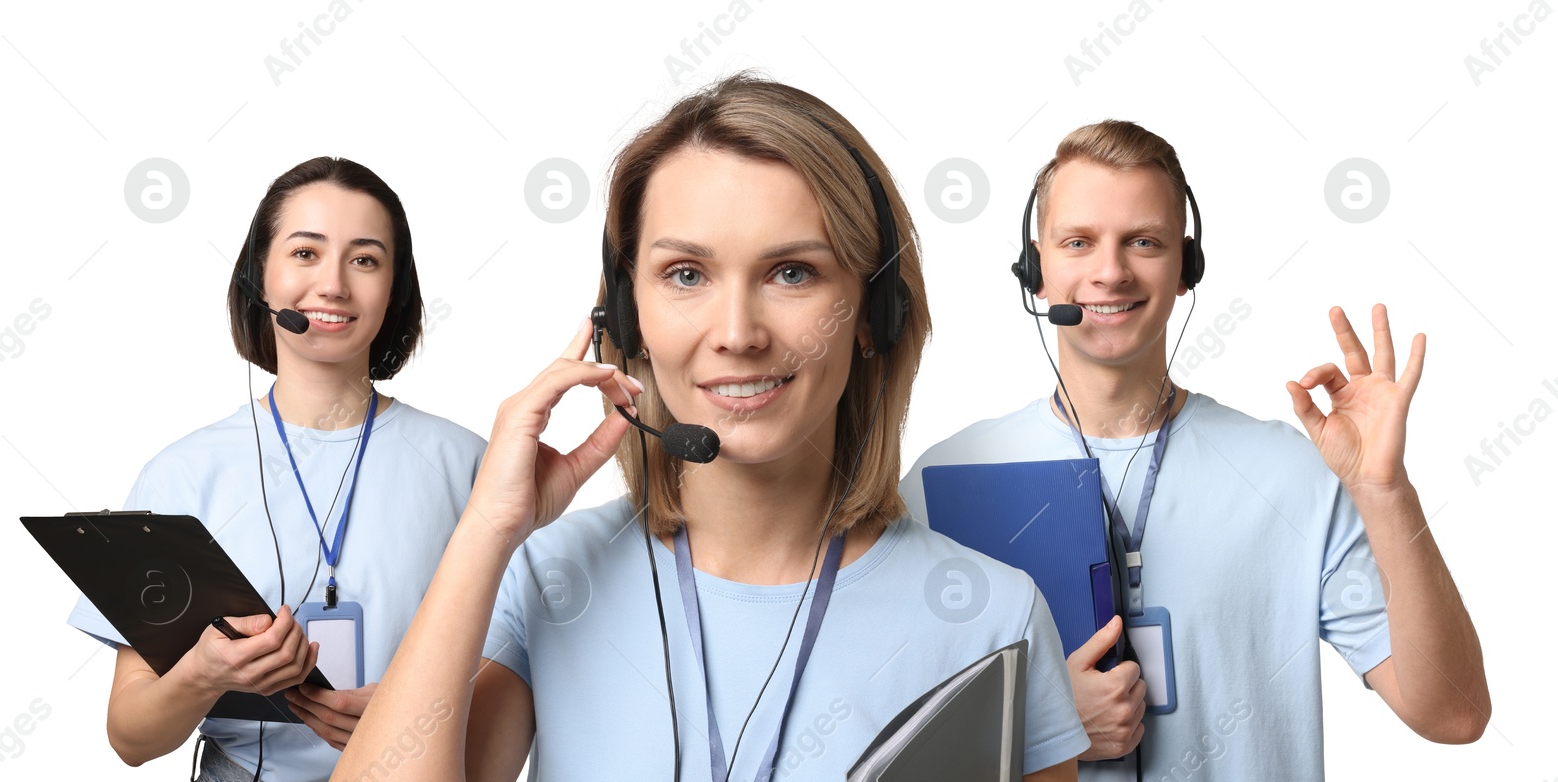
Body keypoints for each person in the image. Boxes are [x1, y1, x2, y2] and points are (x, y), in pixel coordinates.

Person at [333, 74, 1089, 781]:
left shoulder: (993, 615)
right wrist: (486, 530)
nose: (737, 333)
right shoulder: (550, 579)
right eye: (687, 275)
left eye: (792, 272)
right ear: (628, 317)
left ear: (873, 313)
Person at [901, 120, 1490, 780]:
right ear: (1036, 269)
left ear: (1187, 267)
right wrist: (1041, 724)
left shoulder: (1293, 474)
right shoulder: (941, 482)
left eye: (1143, 242)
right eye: (1079, 242)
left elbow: (1455, 715)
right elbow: (883, 742)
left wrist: (1385, 491)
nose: (1111, 272)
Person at [66, 157, 486, 781]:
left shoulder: (472, 466)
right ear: (258, 276)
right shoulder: (180, 475)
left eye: (365, 259)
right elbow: (130, 737)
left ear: (395, 290)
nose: (334, 285)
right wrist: (203, 675)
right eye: (305, 253)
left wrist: (421, 715)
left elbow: (526, 676)